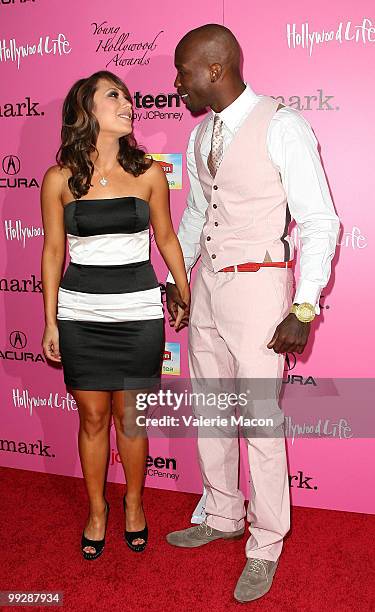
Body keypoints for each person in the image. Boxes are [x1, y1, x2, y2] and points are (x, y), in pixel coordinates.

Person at [165, 25, 340, 602]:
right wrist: (177, 279)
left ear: (214, 71)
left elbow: (320, 221)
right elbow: (196, 213)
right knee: (213, 410)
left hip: (263, 292)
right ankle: (220, 513)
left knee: (261, 425)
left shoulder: (283, 125)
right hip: (210, 290)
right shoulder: (200, 137)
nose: (177, 83)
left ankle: (265, 544)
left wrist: (305, 306)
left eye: (183, 71)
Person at [40, 70, 189, 560]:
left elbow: (166, 238)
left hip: (138, 311)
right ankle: (97, 509)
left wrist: (183, 293)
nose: (128, 103)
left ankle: (134, 504)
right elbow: (52, 252)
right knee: (93, 417)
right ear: (87, 110)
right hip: (81, 311)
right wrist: (50, 321)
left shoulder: (149, 171)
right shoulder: (59, 179)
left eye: (127, 96)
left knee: (131, 418)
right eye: (115, 96)